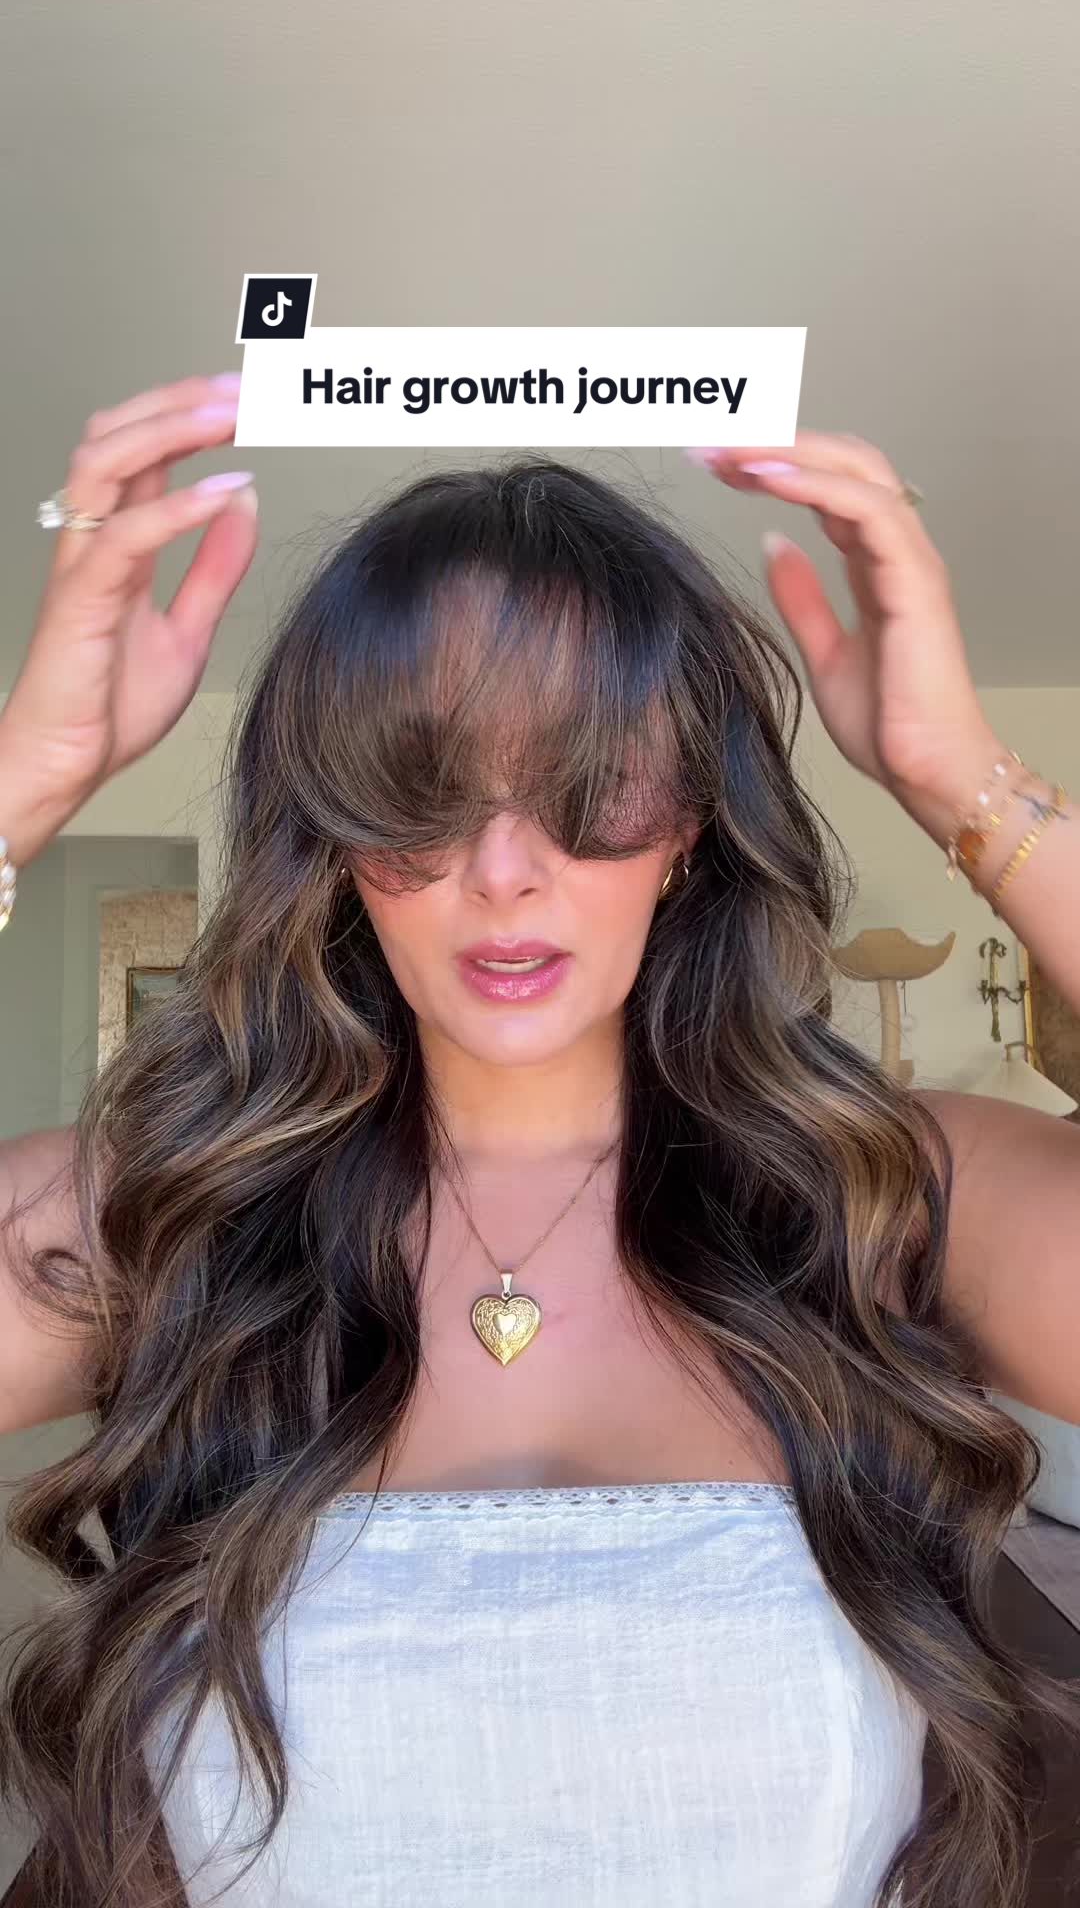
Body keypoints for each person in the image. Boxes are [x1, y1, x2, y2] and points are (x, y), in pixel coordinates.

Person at [0, 375, 1077, 1908]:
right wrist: (21, 780)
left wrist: (962, 778)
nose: (505, 868)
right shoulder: (164, 1215)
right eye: (421, 785)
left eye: (592, 779)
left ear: (692, 820)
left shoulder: (887, 1200)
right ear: (333, 832)